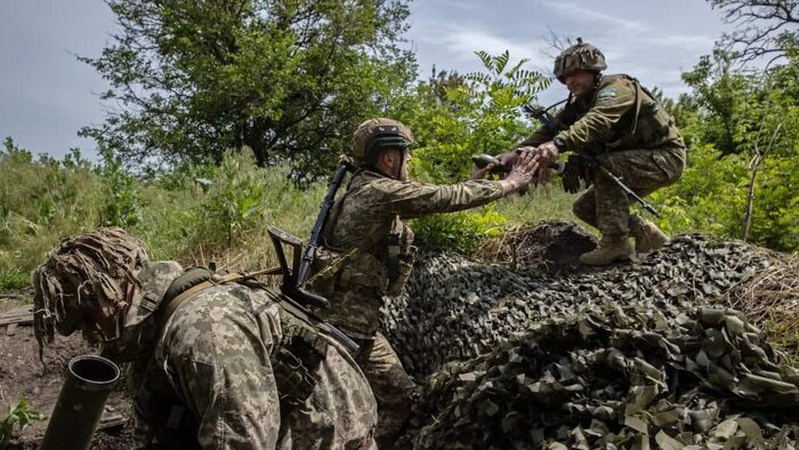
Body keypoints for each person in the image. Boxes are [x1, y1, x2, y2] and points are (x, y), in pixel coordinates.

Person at [305, 117, 541, 445]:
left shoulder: (370, 187)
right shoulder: (377, 191)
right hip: (342, 329)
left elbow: (435, 195)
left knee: (400, 396)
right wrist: (510, 183)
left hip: (359, 326)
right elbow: (439, 198)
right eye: (406, 154)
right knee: (340, 413)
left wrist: (473, 182)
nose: (410, 161)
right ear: (389, 158)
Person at [31, 227, 378, 450]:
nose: (90, 334)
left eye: (90, 316)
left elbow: (243, 442)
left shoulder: (202, 330)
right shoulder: (150, 333)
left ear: (118, 287)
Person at [497, 39, 686, 266]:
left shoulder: (617, 87)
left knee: (606, 166)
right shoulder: (580, 104)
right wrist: (514, 154)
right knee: (585, 208)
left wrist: (558, 144)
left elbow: (597, 121)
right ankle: (644, 232)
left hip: (666, 157)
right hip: (638, 160)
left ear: (593, 71)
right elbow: (550, 130)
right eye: (564, 78)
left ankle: (616, 243)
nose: (569, 82)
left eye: (574, 74)